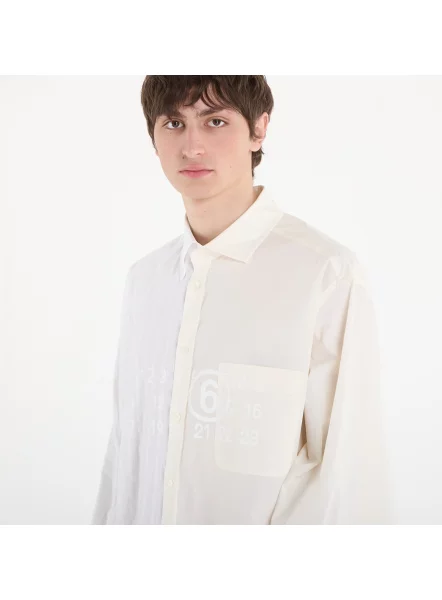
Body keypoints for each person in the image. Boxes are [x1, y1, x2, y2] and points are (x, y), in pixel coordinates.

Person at [91, 75, 392, 525]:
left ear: (259, 129)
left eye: (215, 121)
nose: (192, 146)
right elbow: (124, 453)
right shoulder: (146, 280)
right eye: (173, 123)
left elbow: (345, 469)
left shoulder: (323, 274)